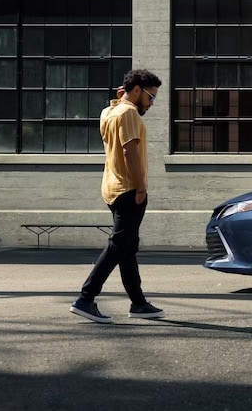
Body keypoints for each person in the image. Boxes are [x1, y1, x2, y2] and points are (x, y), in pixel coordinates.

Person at [70, 69, 166, 324]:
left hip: (111, 187)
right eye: (151, 97)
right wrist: (142, 187)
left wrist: (122, 97)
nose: (152, 103)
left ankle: (139, 303)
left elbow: (116, 109)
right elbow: (130, 153)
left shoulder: (109, 112)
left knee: (127, 248)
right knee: (118, 246)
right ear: (138, 91)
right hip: (128, 189)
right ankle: (86, 298)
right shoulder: (129, 113)